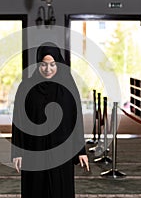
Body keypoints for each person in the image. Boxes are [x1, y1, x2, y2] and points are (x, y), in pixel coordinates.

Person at [11, 42, 89, 198]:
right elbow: (18, 120)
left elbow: (76, 120)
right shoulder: (26, 87)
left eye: (52, 64)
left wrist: (81, 150)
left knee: (60, 189)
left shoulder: (68, 87)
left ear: (58, 64)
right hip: (34, 149)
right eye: (43, 64)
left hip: (62, 150)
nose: (48, 69)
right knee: (35, 189)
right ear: (38, 64)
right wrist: (17, 152)